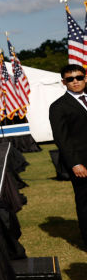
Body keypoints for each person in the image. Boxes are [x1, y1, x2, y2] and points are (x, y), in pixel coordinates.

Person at [49, 63, 87, 248]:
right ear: (64, 82)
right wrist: (75, 163)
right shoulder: (58, 107)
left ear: (85, 78)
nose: (75, 82)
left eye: (79, 77)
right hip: (82, 163)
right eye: (70, 79)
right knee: (85, 202)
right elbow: (61, 138)